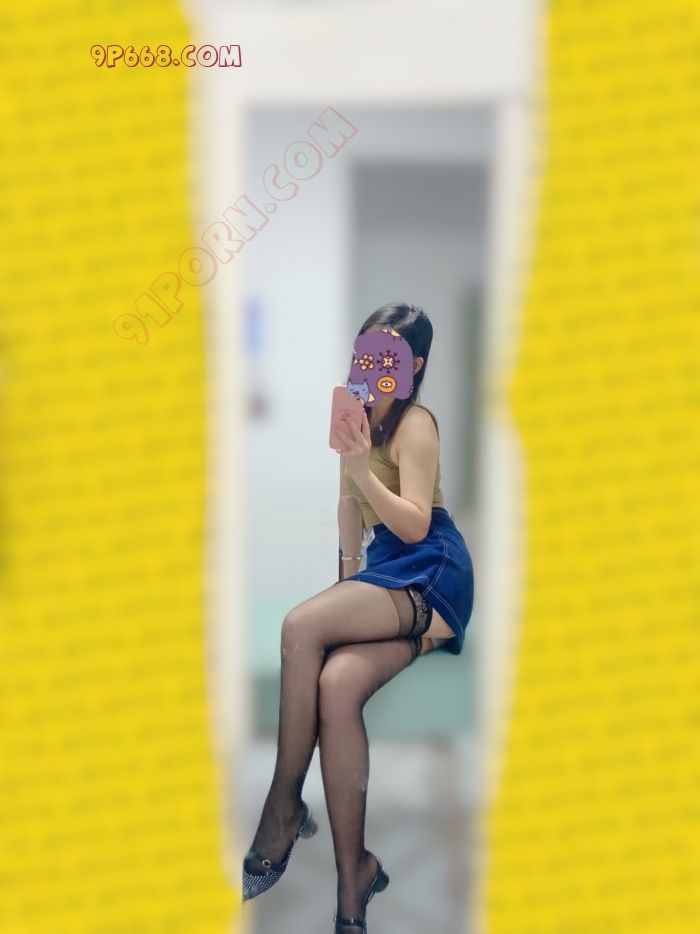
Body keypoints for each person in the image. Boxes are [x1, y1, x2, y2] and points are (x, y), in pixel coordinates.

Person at [242, 302, 475, 933]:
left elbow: (416, 524)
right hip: (388, 570)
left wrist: (359, 470)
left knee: (298, 626)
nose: (371, 364)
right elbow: (349, 509)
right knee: (338, 682)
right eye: (365, 351)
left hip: (432, 568)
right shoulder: (357, 415)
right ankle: (356, 882)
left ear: (413, 364)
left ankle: (284, 807)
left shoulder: (416, 425)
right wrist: (348, 584)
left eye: (387, 354)